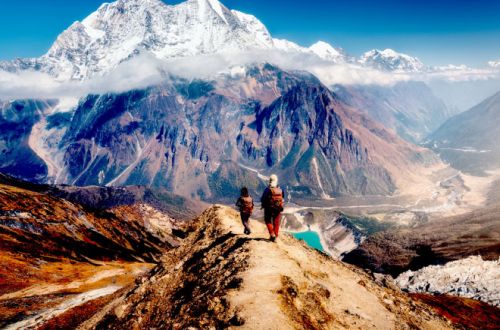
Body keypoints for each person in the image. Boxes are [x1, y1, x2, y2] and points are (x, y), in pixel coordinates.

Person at [261, 174, 284, 242]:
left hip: (269, 208)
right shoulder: (280, 189)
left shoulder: (268, 189)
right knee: (276, 222)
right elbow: (283, 197)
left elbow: (263, 199)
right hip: (278, 208)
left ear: (270, 180)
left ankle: (272, 234)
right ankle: (276, 236)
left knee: (267, 220)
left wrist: (264, 204)